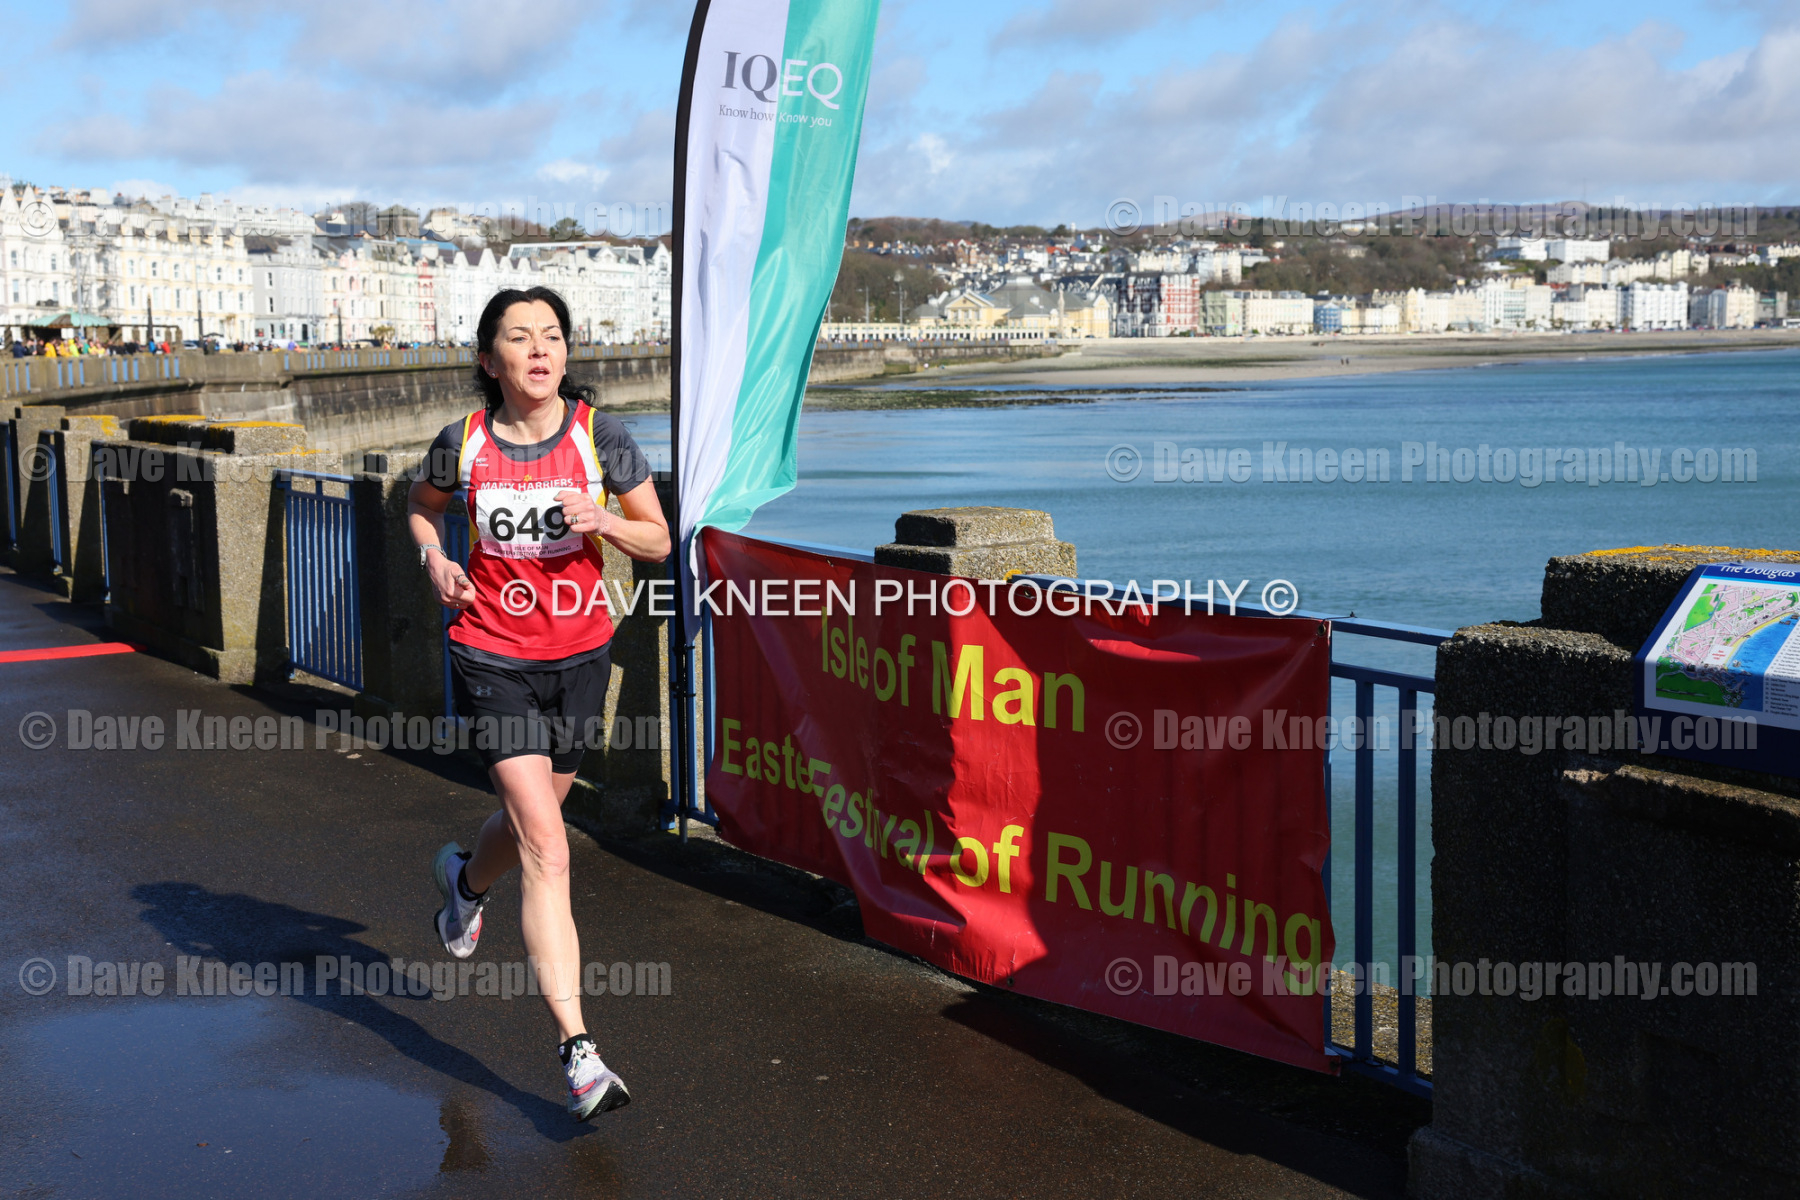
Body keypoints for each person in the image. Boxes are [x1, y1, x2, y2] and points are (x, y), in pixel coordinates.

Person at [407, 285, 669, 1122]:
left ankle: (463, 882)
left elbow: (658, 538)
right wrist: (434, 560)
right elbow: (422, 508)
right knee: (550, 850)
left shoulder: (601, 436)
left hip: (580, 657)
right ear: (491, 361)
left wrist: (604, 519)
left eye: (551, 335)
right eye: (519, 338)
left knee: (531, 827)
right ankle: (578, 1052)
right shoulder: (464, 442)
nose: (539, 349)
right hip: (491, 655)